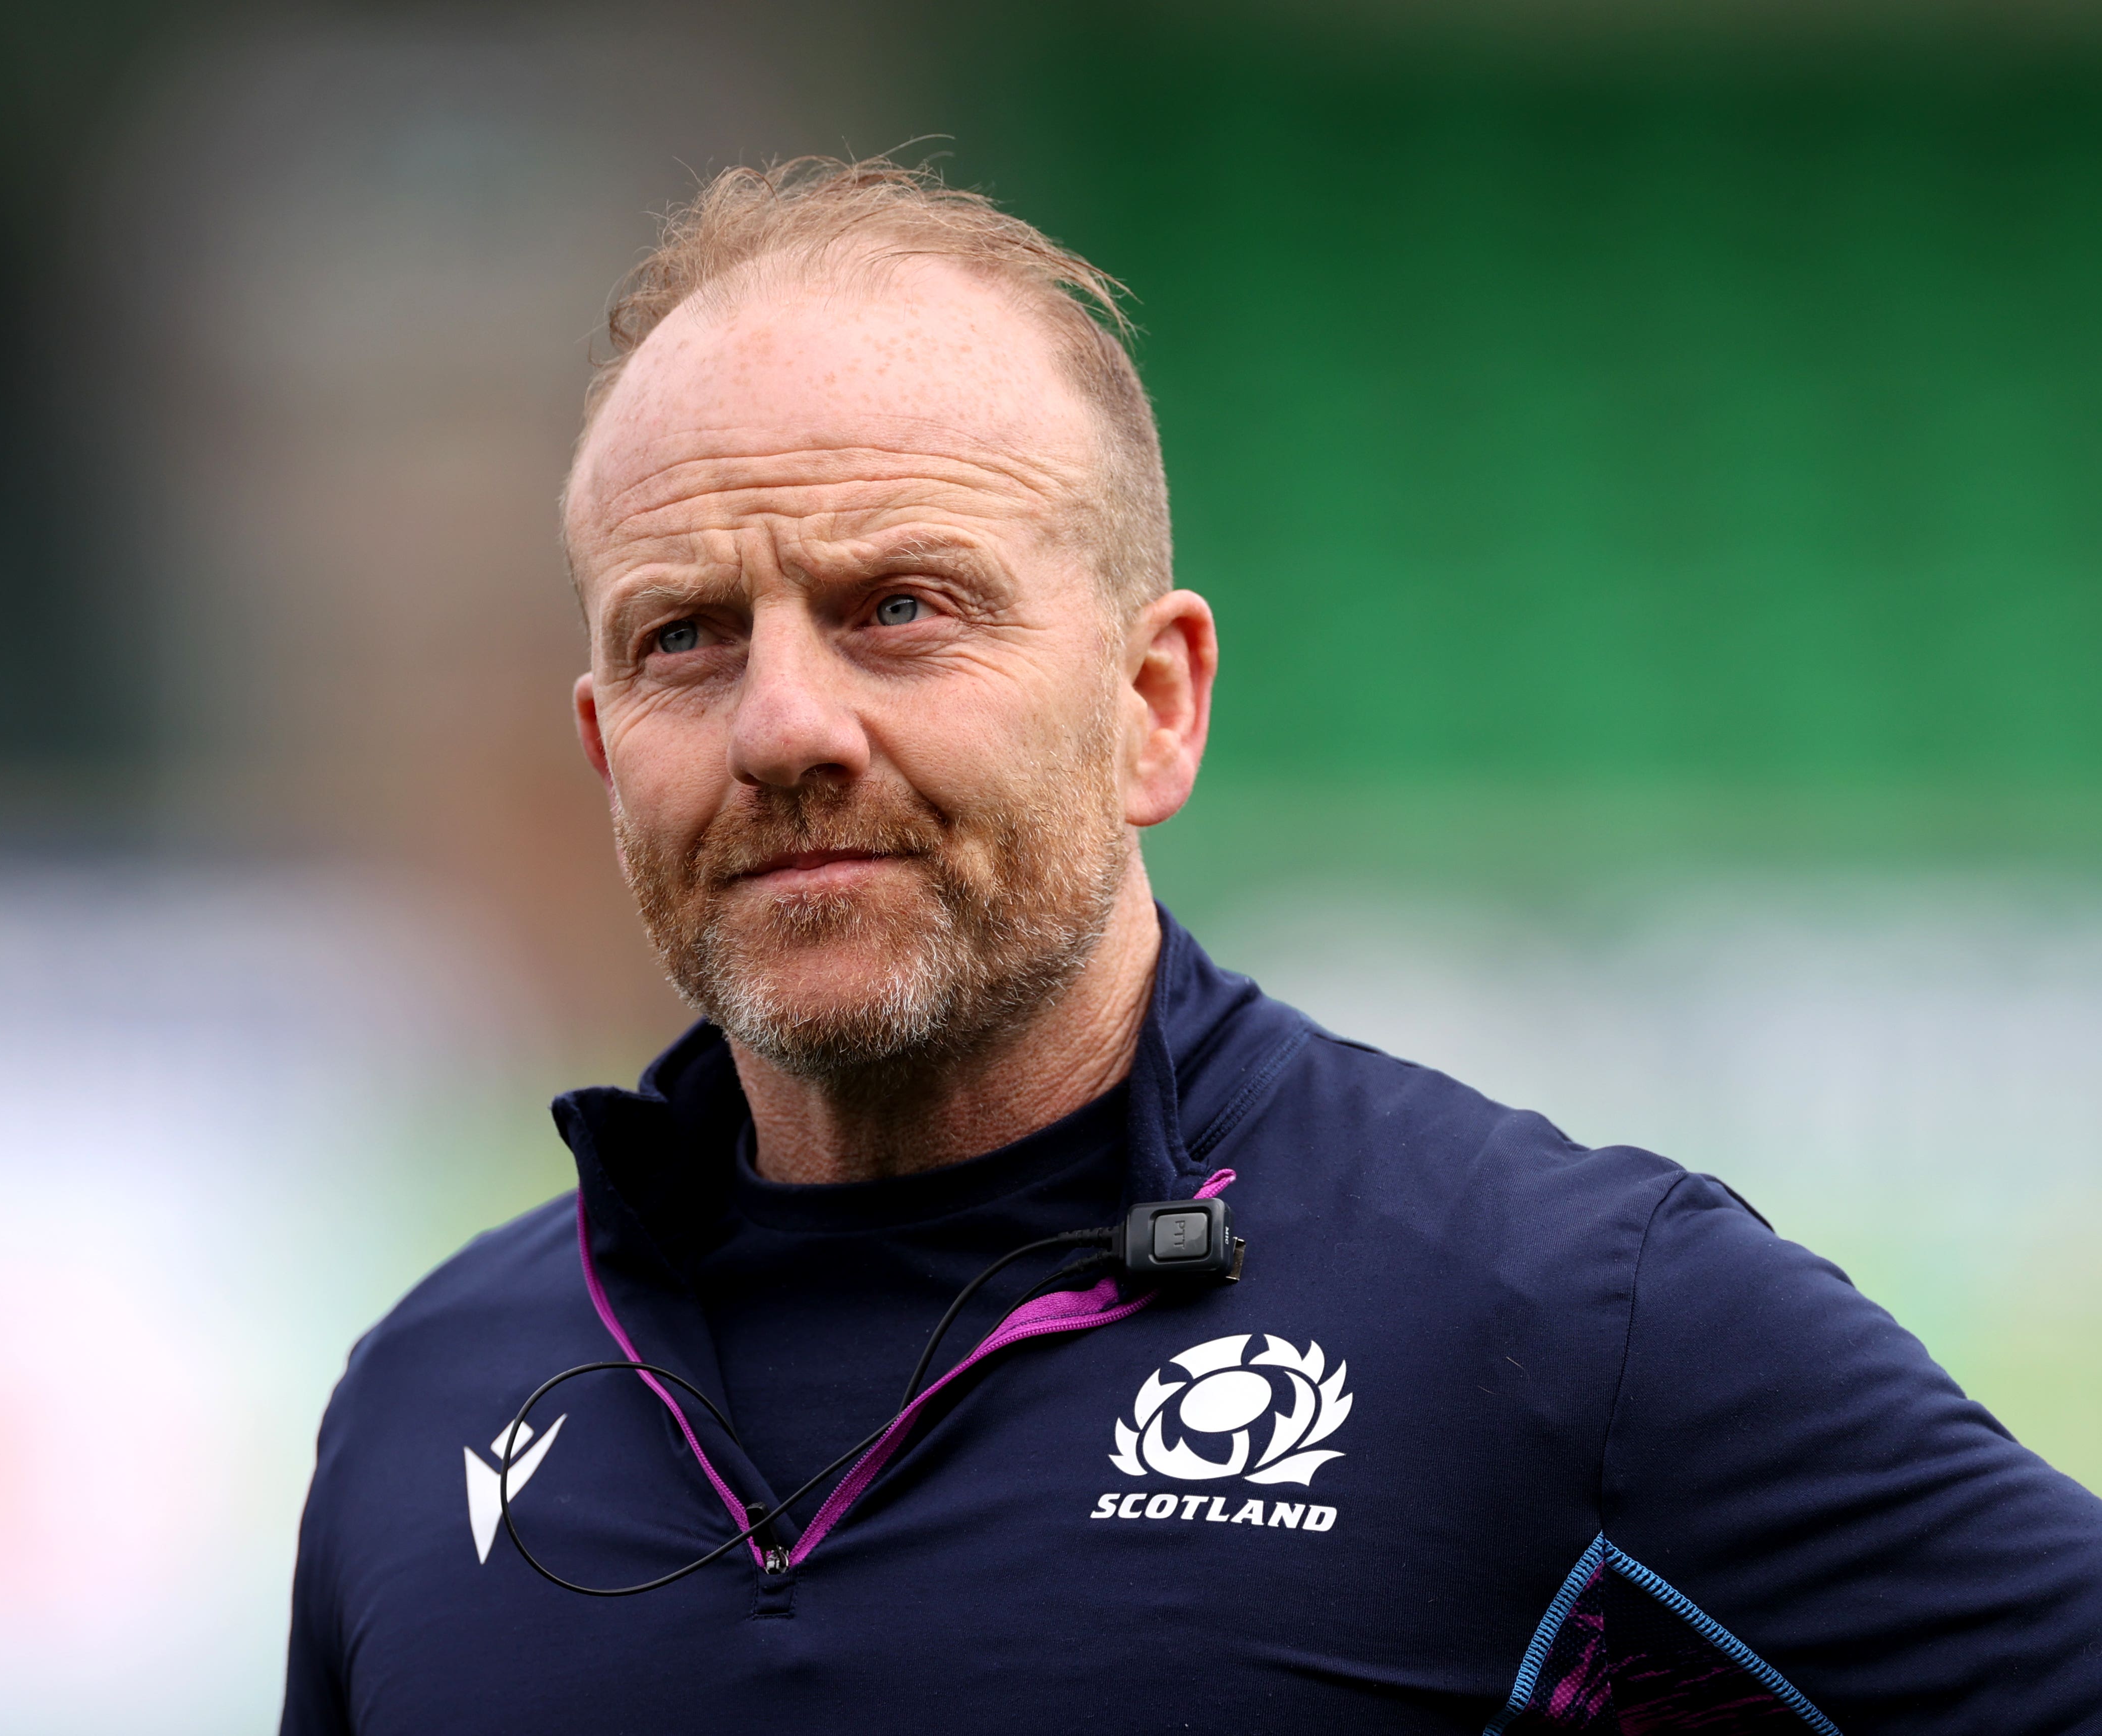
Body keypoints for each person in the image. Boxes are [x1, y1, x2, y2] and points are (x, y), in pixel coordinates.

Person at [279, 158, 2102, 1733]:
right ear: (604, 745)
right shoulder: (427, 1394)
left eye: (899, 608)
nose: (784, 726)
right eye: (684, 634)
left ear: (1154, 704)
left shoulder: (1572, 1325)